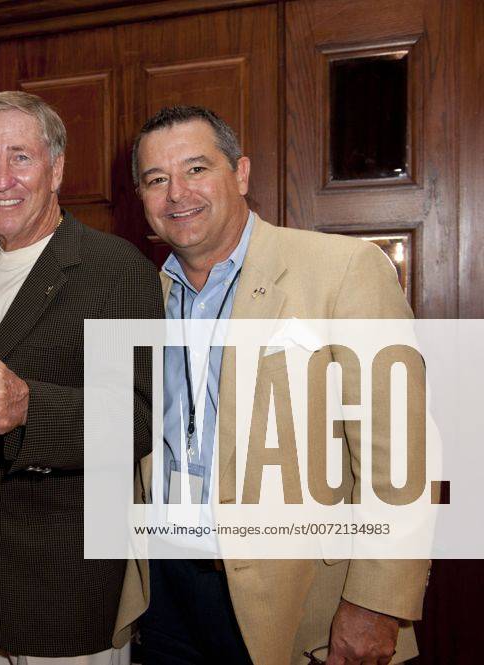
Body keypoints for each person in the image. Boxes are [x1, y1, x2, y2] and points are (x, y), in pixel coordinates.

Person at [131, 105, 428, 665]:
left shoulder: (342, 269)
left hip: (301, 603)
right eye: (156, 179)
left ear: (240, 174)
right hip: (165, 595)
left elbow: (401, 459)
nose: (177, 193)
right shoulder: (144, 295)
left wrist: (376, 604)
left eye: (196, 169)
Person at [0, 91, 163, 665]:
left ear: (57, 168)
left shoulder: (114, 271)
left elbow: (139, 419)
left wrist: (28, 410)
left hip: (65, 586)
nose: (1, 178)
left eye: (20, 156)